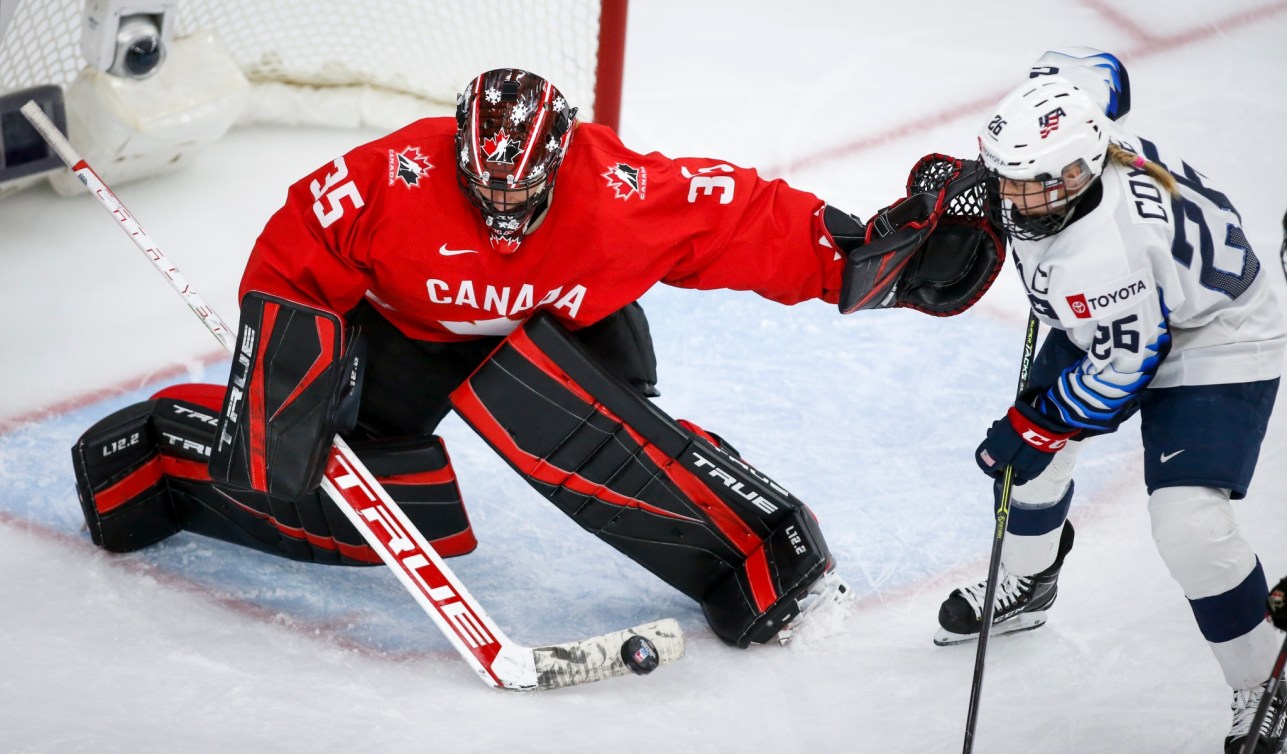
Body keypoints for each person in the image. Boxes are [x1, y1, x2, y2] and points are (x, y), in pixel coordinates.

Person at [71, 68, 1002, 649]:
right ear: (457, 153)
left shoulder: (618, 191)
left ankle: (750, 556)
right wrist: (281, 395)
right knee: (372, 504)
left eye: (523, 189)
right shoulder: (387, 179)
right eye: (484, 186)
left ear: (563, 160)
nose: (502, 209)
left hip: (567, 334)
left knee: (575, 423)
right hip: (407, 339)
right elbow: (292, 255)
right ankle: (160, 459)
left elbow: (740, 216)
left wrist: (864, 254)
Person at [931, 48, 1287, 752]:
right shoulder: (1073, 134)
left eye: (1027, 186)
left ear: (1074, 174)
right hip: (1129, 313)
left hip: (1217, 336)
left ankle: (1263, 680)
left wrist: (1026, 425)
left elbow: (1122, 370)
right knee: (1027, 468)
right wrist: (1053, 82)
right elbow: (1100, 69)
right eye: (1005, 176)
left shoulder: (1099, 257)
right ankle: (1029, 585)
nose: (1008, 198)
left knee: (1186, 525)